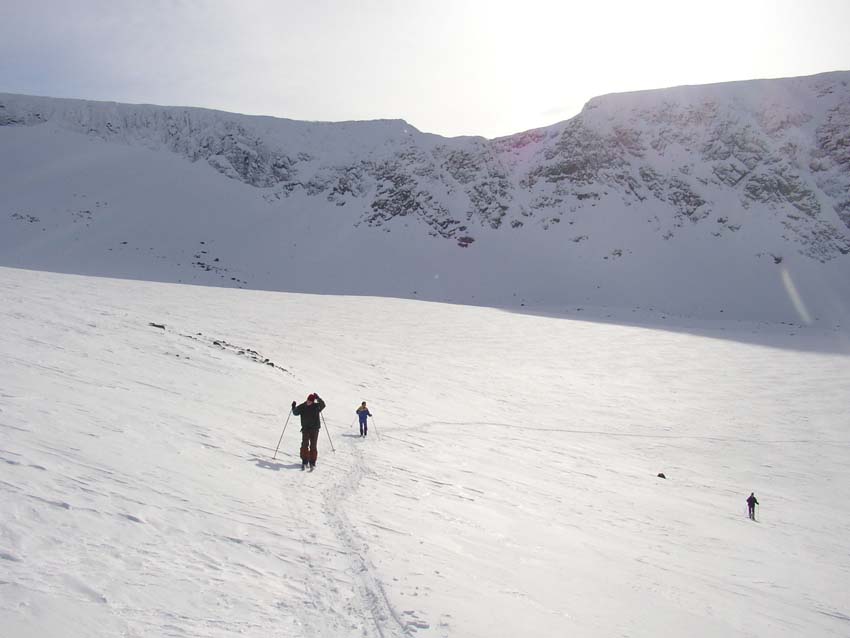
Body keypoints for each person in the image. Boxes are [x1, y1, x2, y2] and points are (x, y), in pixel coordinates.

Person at [292, 393, 325, 469]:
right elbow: (295, 413)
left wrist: (318, 398)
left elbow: (323, 405)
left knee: (313, 445)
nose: (308, 402)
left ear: (313, 401)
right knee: (304, 444)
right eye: (308, 400)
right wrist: (293, 407)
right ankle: (304, 460)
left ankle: (312, 462)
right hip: (305, 429)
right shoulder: (303, 406)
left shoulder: (316, 406)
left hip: (315, 429)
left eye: (310, 401)